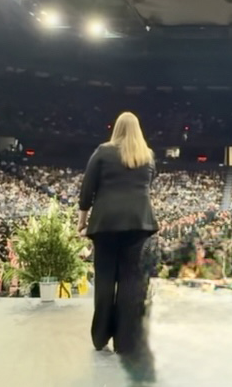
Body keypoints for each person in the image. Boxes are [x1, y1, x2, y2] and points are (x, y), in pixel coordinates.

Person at [78, 112, 159, 355]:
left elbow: (87, 189)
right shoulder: (148, 156)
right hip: (138, 223)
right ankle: (124, 340)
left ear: (116, 128)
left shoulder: (103, 151)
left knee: (104, 279)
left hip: (105, 224)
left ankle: (101, 335)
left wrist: (81, 222)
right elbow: (148, 184)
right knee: (130, 281)